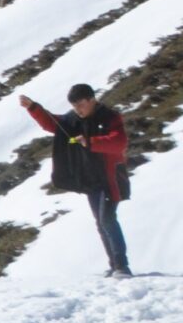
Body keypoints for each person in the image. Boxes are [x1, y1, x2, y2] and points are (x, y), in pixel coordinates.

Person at [20, 85, 132, 276]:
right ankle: (114, 265)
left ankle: (122, 266)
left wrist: (91, 142)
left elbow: (118, 142)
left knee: (108, 219)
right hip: (90, 180)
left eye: (81, 104)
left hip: (110, 178)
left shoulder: (109, 117)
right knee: (100, 222)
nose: (78, 109)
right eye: (74, 105)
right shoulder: (73, 119)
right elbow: (54, 123)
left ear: (92, 100)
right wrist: (33, 108)